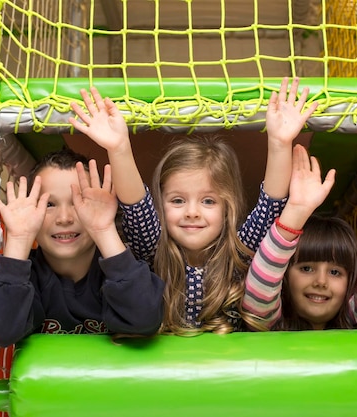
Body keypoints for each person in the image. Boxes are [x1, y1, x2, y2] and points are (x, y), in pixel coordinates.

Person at [69, 77, 319, 334]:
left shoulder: (239, 251)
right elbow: (135, 206)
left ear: (227, 209)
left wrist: (280, 144)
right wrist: (119, 148)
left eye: (208, 201)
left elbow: (271, 205)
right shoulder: (155, 248)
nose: (191, 212)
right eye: (177, 200)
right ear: (161, 205)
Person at [0, 148, 165, 347]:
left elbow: (145, 319)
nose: (64, 219)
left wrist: (104, 229)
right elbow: (0, 331)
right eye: (49, 205)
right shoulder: (24, 277)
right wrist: (19, 239)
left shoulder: (120, 269)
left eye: (77, 202)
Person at [243, 145, 357, 336]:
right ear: (284, 277)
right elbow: (260, 289)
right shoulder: (270, 325)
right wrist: (295, 212)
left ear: (349, 282)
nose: (321, 281)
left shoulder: (356, 326)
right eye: (306, 268)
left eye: (335, 272)